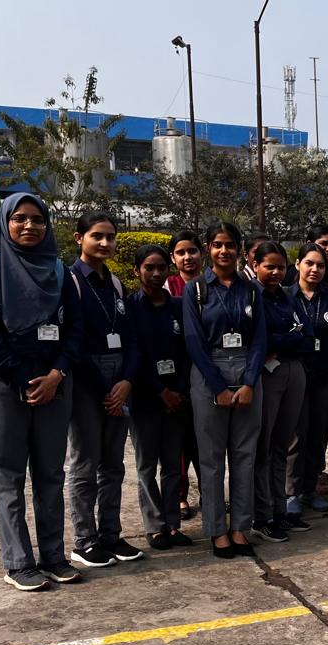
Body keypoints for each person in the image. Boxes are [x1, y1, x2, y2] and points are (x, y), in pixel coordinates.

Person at [0, 193, 84, 591]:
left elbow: (74, 332)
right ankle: (18, 562)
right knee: (8, 475)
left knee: (50, 474)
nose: (29, 226)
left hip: (54, 384)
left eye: (37, 219)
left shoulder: (59, 271)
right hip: (5, 385)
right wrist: (23, 380)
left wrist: (56, 375)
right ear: (5, 223)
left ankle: (53, 556)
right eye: (20, 218)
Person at [184, 221, 266, 559]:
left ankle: (240, 527)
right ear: (208, 249)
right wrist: (217, 386)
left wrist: (249, 382)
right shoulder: (196, 290)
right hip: (209, 373)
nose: (223, 251)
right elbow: (193, 341)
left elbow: (260, 338)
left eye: (230, 244)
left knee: (245, 457)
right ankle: (217, 530)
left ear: (238, 248)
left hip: (246, 369)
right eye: (217, 244)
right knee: (212, 459)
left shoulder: (251, 290)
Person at [66, 211, 142, 568]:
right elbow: (73, 342)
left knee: (113, 465)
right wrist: (104, 389)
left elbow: (131, 339)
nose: (105, 242)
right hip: (87, 381)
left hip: (119, 379)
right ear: (79, 238)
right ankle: (84, 541)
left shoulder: (115, 284)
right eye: (97, 235)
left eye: (110, 236)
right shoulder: (70, 282)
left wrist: (125, 381)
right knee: (85, 465)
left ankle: (111, 535)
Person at [129, 244, 193, 551]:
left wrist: (177, 391)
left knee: (172, 466)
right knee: (146, 466)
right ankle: (154, 526)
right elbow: (134, 355)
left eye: (161, 268)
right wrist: (160, 391)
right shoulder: (130, 308)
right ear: (137, 271)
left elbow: (188, 351)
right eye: (149, 268)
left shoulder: (178, 307)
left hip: (176, 400)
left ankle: (172, 523)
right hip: (145, 398)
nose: (156, 273)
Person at [250, 241, 315, 543]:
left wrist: (284, 339)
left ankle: (280, 510)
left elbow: (308, 336)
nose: (276, 272)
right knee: (262, 447)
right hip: (267, 375)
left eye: (280, 267)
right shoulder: (253, 296)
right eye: (269, 266)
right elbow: (261, 339)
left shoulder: (288, 296)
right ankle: (261, 515)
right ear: (256, 265)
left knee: (282, 445)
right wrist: (289, 337)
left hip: (292, 371)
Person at [286, 243, 328, 518]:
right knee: (296, 436)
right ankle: (291, 492)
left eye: (320, 265)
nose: (314, 269)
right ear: (297, 264)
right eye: (309, 263)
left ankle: (310, 489)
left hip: (326, 377)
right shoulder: (286, 297)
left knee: (318, 435)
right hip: (297, 377)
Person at [167, 229, 203, 519]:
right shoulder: (168, 286)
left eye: (192, 250)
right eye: (181, 252)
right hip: (178, 373)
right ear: (173, 258)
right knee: (178, 441)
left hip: (207, 372)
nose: (187, 257)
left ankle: (209, 491)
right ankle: (180, 496)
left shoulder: (212, 285)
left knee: (206, 440)